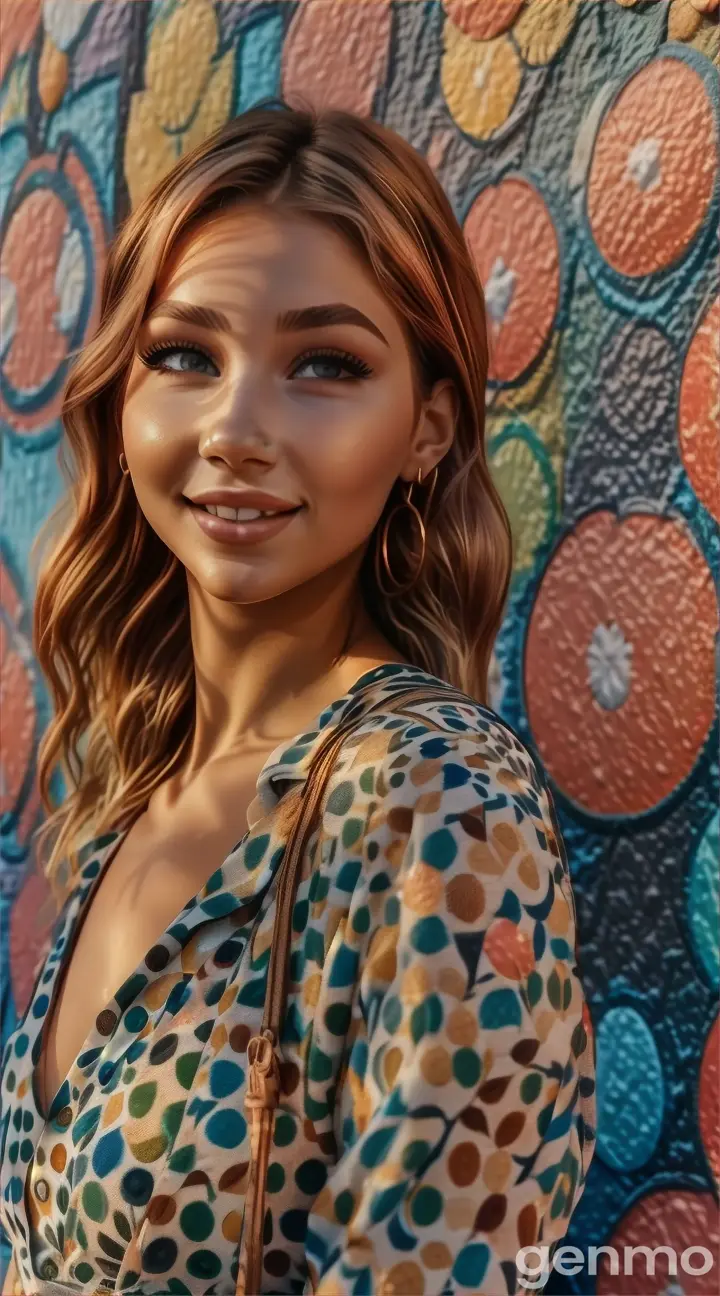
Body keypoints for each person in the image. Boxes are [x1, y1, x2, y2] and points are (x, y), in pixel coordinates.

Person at [0, 105, 595, 1296]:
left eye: (325, 365)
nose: (235, 429)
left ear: (426, 427)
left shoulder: (437, 802)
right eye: (184, 356)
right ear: (125, 403)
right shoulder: (135, 797)